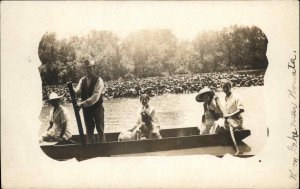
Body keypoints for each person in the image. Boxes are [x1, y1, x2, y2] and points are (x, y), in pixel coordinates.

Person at [73, 59, 106, 143]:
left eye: (90, 68)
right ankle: (91, 150)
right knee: (89, 130)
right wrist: (70, 88)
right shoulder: (82, 80)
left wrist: (81, 104)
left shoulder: (99, 80)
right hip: (87, 110)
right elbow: (78, 91)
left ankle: (103, 149)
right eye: (86, 68)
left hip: (97, 108)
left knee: (100, 129)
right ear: (84, 69)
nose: (88, 70)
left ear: (93, 68)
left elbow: (95, 97)